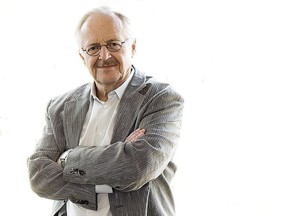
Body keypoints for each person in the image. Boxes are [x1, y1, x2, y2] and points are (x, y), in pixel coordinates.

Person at [27, 6, 184, 216]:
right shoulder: (59, 107)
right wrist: (114, 167)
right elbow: (39, 177)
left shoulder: (160, 98)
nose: (104, 55)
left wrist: (67, 159)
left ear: (133, 48)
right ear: (82, 56)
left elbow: (138, 167)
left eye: (113, 44)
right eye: (93, 47)